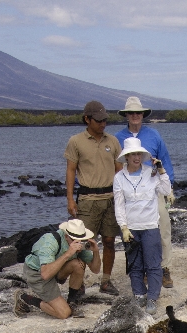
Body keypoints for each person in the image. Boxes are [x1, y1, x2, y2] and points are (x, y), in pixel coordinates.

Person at [115, 96, 175, 289]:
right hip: (129, 192)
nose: (135, 116)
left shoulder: (154, 135)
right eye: (131, 113)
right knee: (132, 232)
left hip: (153, 188)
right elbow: (115, 167)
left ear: (143, 115)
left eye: (138, 112)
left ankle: (163, 268)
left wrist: (169, 188)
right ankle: (138, 270)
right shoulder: (118, 138)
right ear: (126, 115)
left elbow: (164, 160)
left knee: (162, 228)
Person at [64, 101, 122, 296]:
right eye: (98, 120)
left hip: (111, 198)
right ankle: (79, 283)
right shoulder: (76, 141)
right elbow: (71, 170)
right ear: (87, 119)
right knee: (83, 241)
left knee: (109, 240)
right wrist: (70, 199)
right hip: (87, 199)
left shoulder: (112, 141)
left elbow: (120, 170)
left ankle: (105, 280)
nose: (102, 124)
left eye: (105, 120)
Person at [113, 137, 171, 314]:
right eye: (132, 154)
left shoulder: (151, 173)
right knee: (135, 264)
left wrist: (161, 170)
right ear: (127, 157)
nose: (136, 157)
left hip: (150, 225)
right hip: (131, 228)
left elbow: (166, 190)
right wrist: (123, 227)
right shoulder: (119, 178)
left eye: (138, 154)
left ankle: (152, 297)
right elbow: (119, 204)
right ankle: (139, 295)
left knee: (153, 264)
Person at [14, 219, 101, 319]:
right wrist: (68, 253)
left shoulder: (79, 244)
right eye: (75, 239)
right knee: (64, 313)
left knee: (78, 264)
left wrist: (96, 251)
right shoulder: (50, 241)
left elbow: (96, 269)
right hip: (37, 273)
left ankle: (71, 302)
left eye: (81, 239)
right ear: (66, 236)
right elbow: (45, 274)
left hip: (55, 270)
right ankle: (25, 298)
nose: (79, 243)